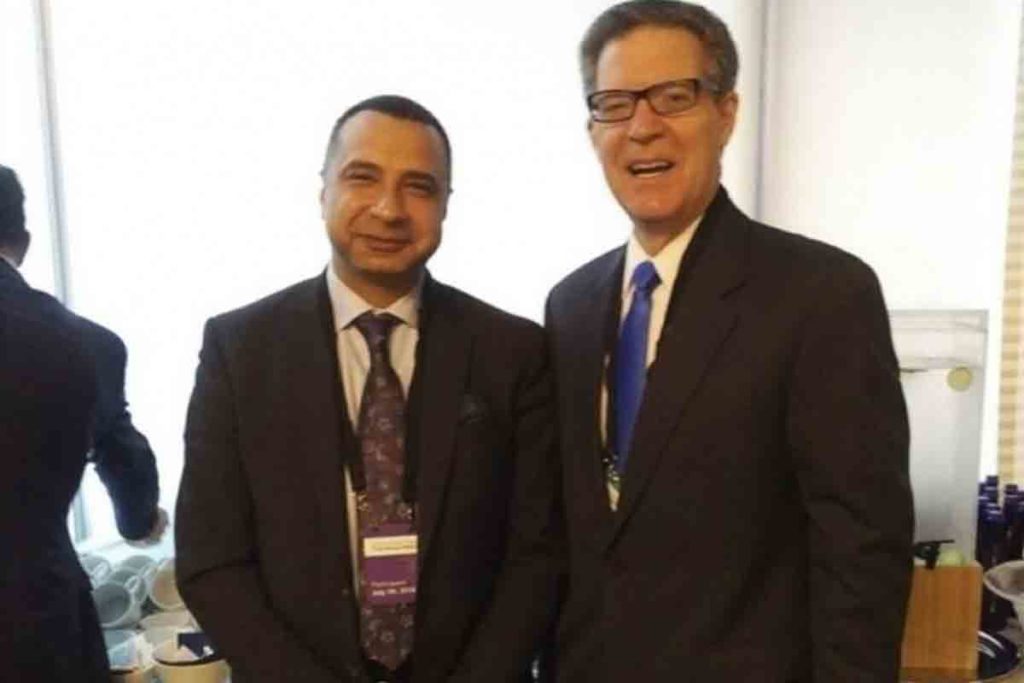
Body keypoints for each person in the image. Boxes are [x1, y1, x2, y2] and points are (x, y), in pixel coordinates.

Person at [543, 2, 914, 681]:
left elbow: (862, 550)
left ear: (727, 112)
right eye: (615, 104)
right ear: (592, 129)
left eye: (674, 97)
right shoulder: (569, 306)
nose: (643, 127)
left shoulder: (821, 294)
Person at [175, 95, 561, 683]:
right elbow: (211, 558)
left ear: (445, 206)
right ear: (323, 189)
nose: (389, 209)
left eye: (419, 187)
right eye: (362, 178)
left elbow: (536, 556)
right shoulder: (241, 350)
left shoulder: (512, 352)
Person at [0, 164, 165, 680]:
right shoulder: (86, 344)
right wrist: (139, 520)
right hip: (35, 626)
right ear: (21, 243)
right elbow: (125, 460)